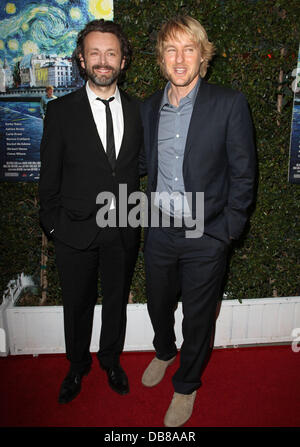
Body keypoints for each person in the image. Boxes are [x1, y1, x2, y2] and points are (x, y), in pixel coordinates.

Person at [140, 16, 256, 427]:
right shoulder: (149, 107)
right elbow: (141, 165)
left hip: (206, 232)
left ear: (203, 56)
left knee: (199, 316)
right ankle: (165, 350)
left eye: (189, 48)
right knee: (157, 303)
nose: (180, 57)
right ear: (161, 58)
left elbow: (244, 174)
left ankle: (186, 385)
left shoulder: (229, 103)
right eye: (171, 49)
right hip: (159, 228)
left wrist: (227, 231)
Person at [38, 19, 143, 404]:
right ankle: (77, 365)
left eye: (111, 53)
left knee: (116, 301)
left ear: (123, 60)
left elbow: (138, 166)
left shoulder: (137, 111)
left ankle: (111, 360)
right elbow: (48, 182)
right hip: (74, 232)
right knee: (77, 305)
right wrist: (55, 229)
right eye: (95, 53)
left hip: (122, 229)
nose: (103, 61)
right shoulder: (60, 112)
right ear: (81, 60)